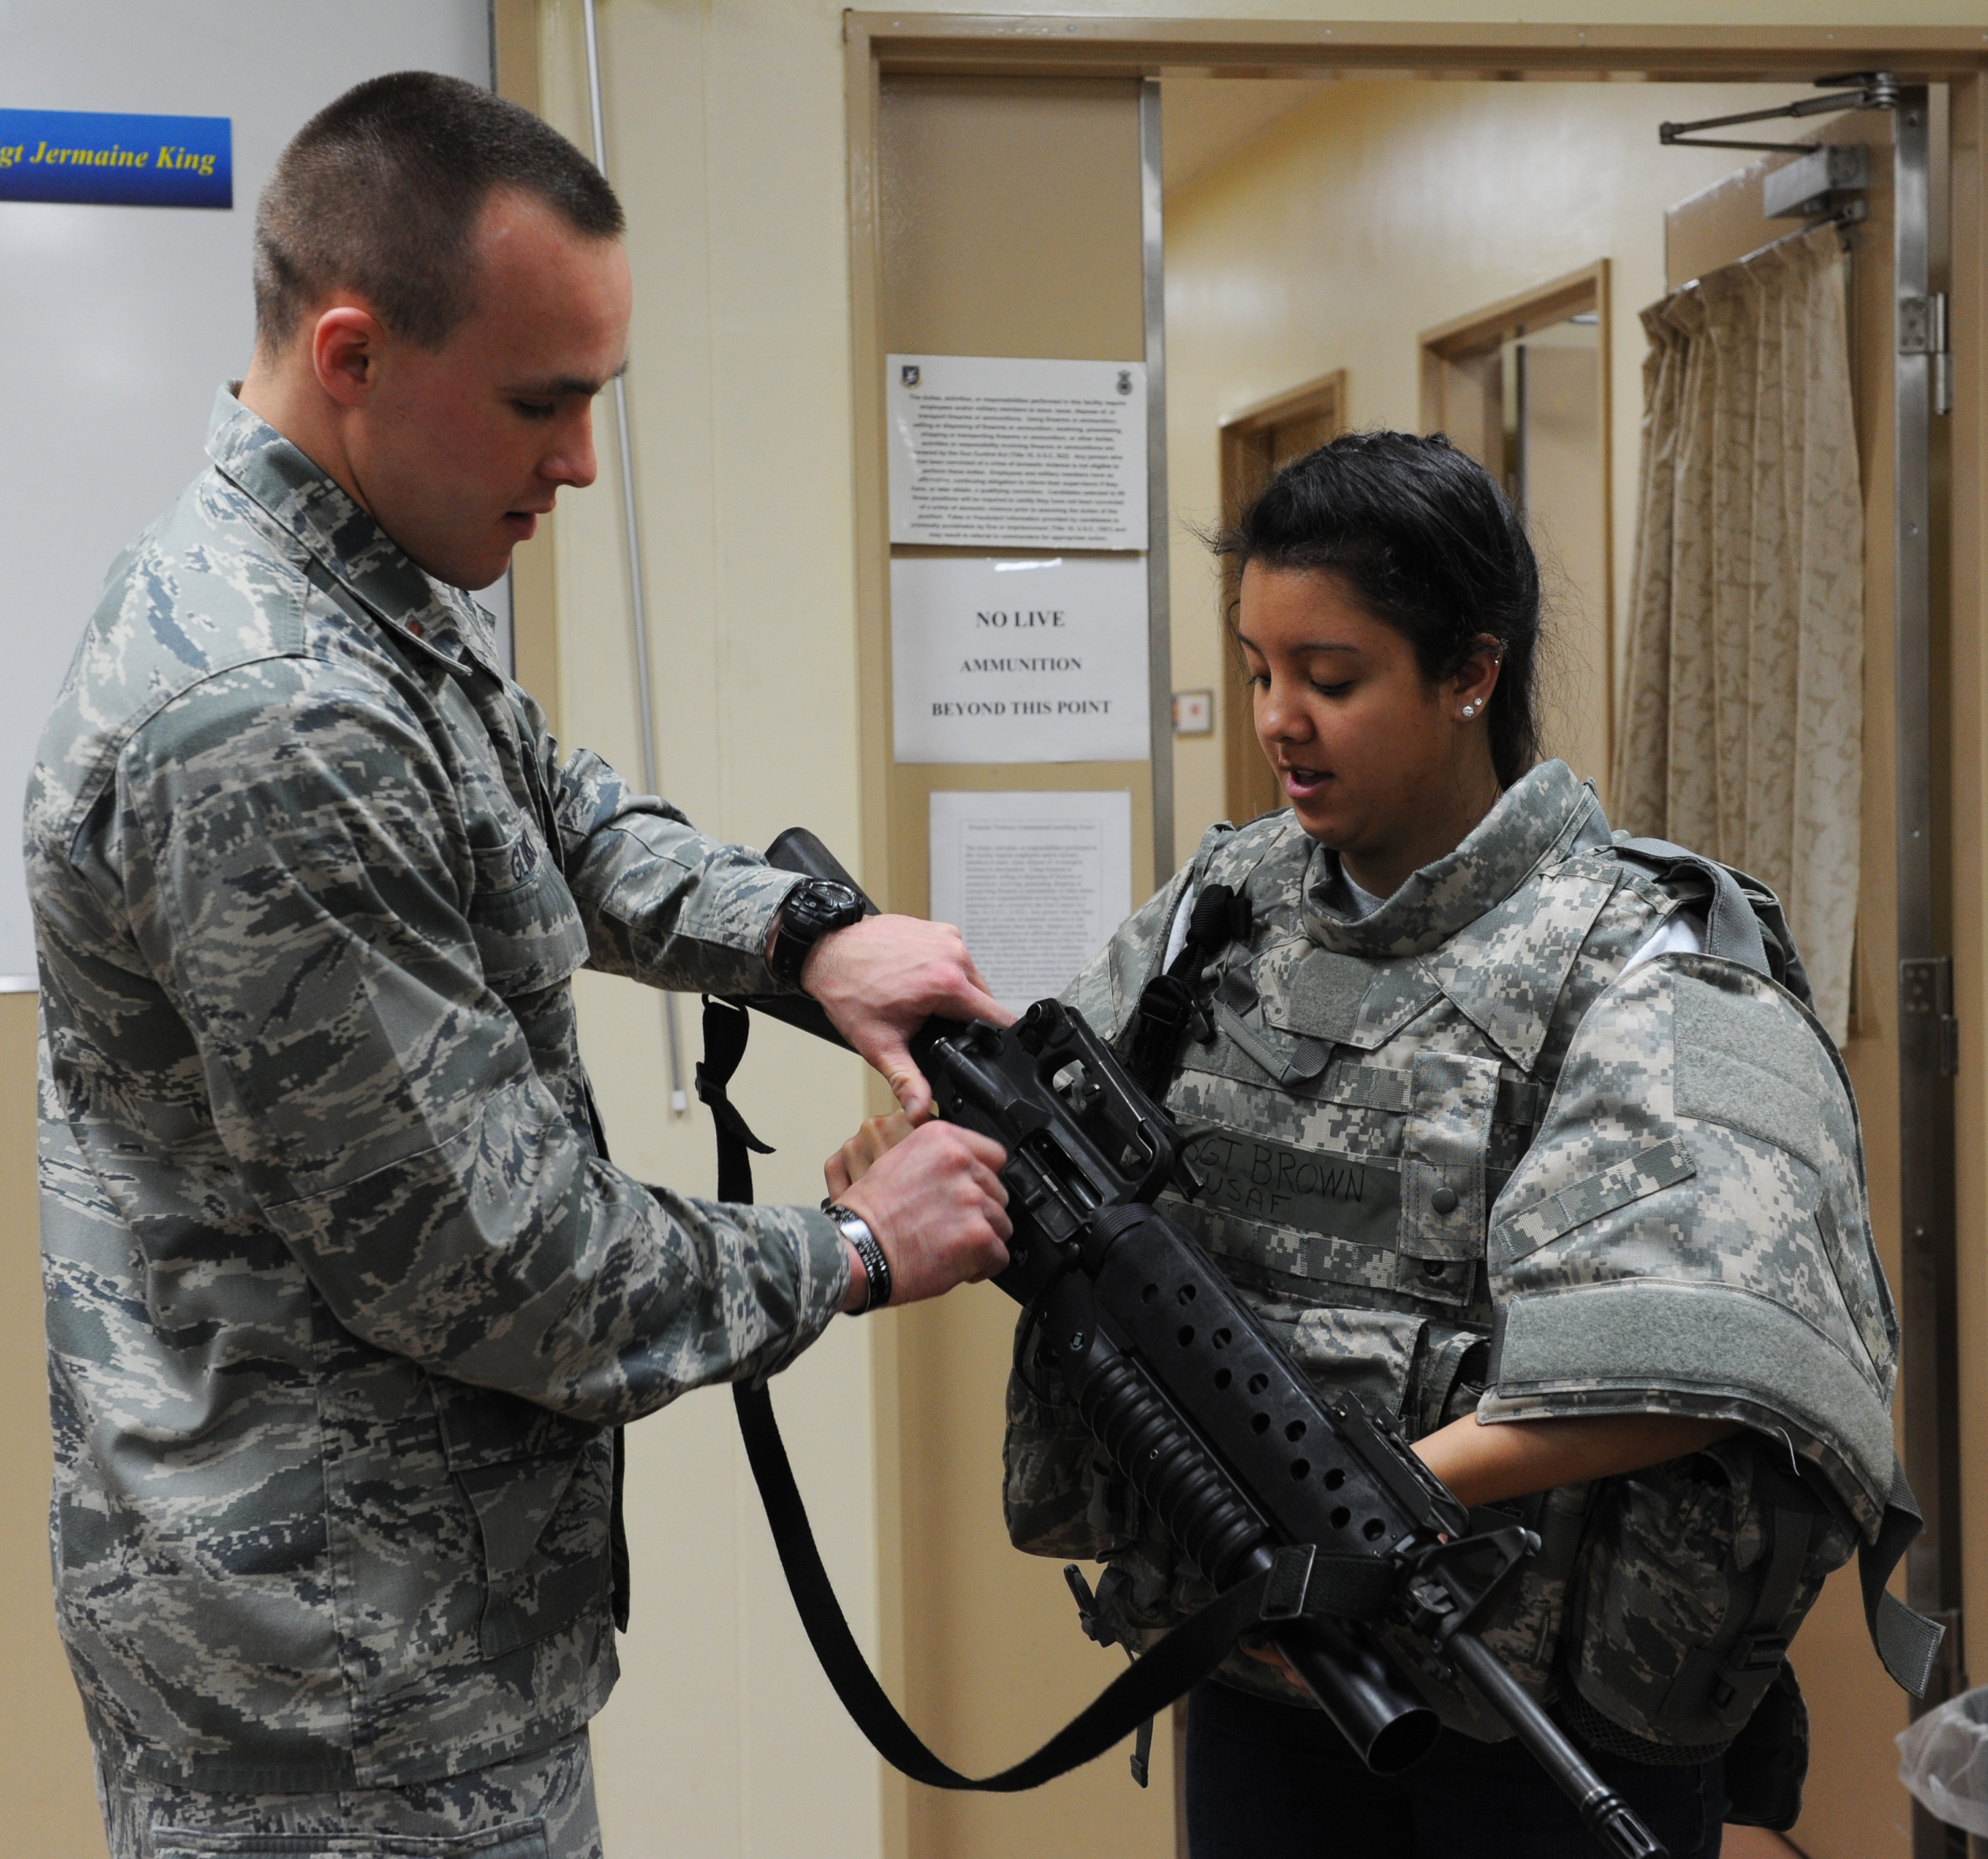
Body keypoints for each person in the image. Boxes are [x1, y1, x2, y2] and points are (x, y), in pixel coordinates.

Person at [28, 73, 1014, 1859]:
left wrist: (805, 942)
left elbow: (539, 807)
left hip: (382, 1632)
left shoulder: (351, 584)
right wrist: (861, 1250)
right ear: (350, 353)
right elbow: (503, 1268)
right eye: (538, 405)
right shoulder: (278, 720)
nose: (573, 463)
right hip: (339, 1698)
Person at [830, 431, 1911, 1857]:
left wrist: (1390, 1498)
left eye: (1329, 678)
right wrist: (925, 1180)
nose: (1279, 716)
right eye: (1260, 668)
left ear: (1469, 671)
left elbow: (1719, 1366)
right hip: (1261, 1667)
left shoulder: (1642, 955)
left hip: (1526, 1712)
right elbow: (1048, 1156)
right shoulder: (1216, 914)